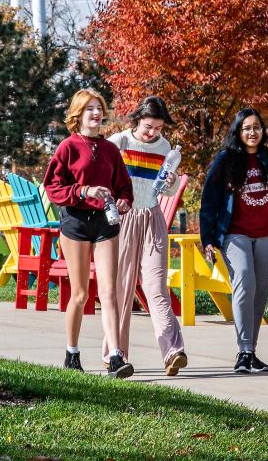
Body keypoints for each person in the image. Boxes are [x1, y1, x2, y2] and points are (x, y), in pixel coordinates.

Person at [200, 107, 268, 374]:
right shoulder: (226, 159)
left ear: (263, 131)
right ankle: (244, 350)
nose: (252, 132)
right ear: (238, 131)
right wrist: (208, 239)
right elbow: (209, 199)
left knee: (260, 291)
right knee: (245, 282)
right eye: (247, 128)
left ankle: (252, 352)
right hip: (235, 233)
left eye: (257, 127)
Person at [43, 88, 135, 378]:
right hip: (76, 223)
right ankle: (72, 353)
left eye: (99, 108)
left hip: (106, 222)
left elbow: (124, 186)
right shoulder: (67, 148)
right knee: (81, 294)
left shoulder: (110, 149)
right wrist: (83, 190)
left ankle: (116, 357)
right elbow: (52, 187)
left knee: (110, 292)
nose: (96, 113)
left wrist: (124, 201)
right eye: (89, 109)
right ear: (78, 114)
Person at [103, 96, 189, 376]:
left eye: (159, 128)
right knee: (122, 288)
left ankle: (173, 351)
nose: (153, 132)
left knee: (156, 287)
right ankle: (115, 355)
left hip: (152, 217)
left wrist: (171, 183)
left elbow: (163, 190)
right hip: (124, 218)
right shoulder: (119, 142)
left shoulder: (165, 148)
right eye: (149, 126)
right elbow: (105, 179)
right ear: (138, 119)